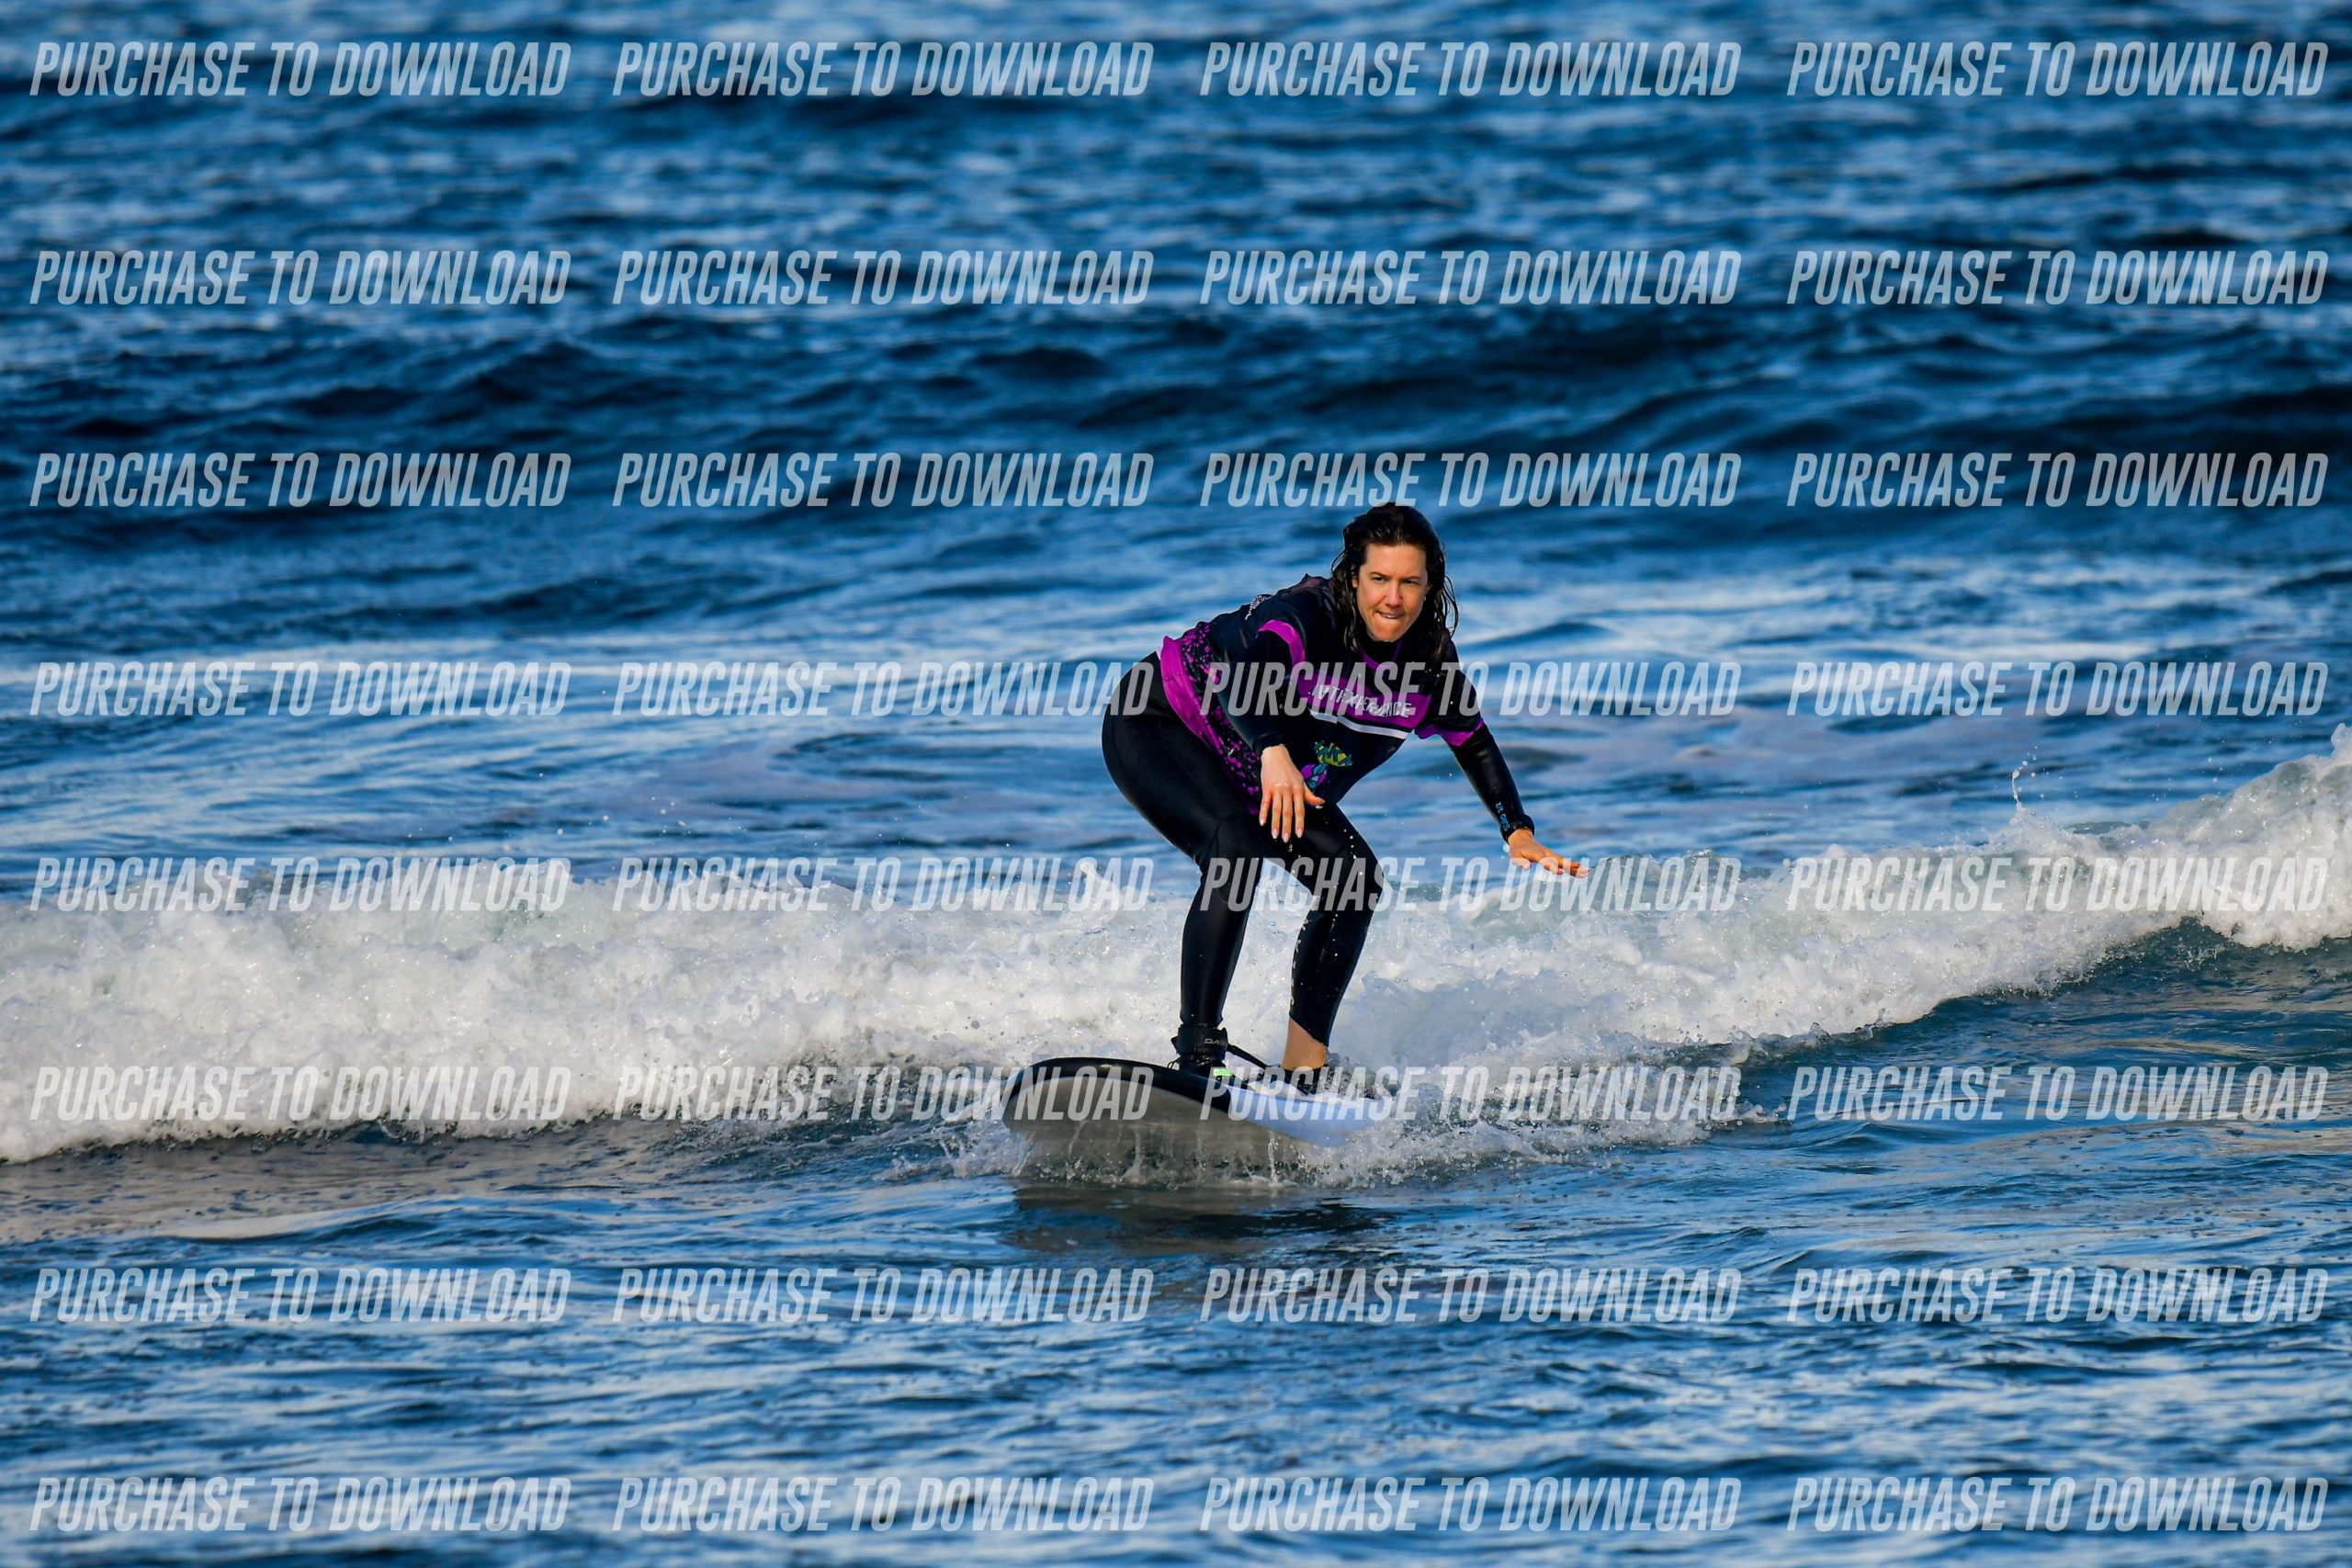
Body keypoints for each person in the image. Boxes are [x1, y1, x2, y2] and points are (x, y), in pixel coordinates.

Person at [1101, 502, 1582, 1093]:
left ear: (1430, 586)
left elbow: (1474, 742)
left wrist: (1517, 829)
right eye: (1379, 578)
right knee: (1235, 848)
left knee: (1353, 878)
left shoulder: (1430, 663)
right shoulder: (1305, 618)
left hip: (1265, 769)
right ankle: (1199, 1056)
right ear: (1353, 576)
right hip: (1163, 717)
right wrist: (1273, 752)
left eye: (1410, 582)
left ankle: (1304, 1067)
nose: (1393, 599)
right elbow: (1244, 682)